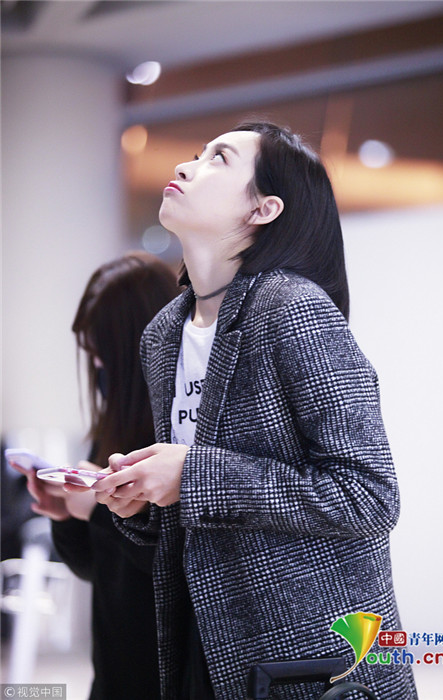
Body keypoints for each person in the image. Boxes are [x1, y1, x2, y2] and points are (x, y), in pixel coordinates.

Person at [93, 122, 418, 699]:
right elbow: (195, 512)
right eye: (197, 155)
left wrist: (191, 476)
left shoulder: (293, 309)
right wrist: (141, 499)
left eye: (218, 160)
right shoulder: (163, 333)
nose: (187, 166)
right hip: (201, 640)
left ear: (263, 209)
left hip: (312, 656)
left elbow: (368, 496)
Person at [17, 252, 179, 700]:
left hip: (162, 669)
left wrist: (99, 509)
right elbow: (95, 567)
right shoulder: (111, 425)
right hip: (112, 667)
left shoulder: (175, 438)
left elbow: (174, 566)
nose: (98, 371)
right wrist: (67, 515)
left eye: (104, 357)